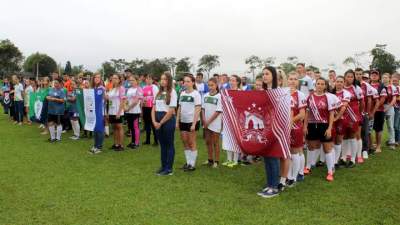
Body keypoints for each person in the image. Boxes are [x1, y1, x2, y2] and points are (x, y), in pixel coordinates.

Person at [303, 78, 338, 181]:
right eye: (318, 84)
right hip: (312, 124)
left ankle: (330, 171)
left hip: (324, 125)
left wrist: (330, 128)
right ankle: (308, 166)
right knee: (311, 146)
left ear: (325, 86)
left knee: (327, 148)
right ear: (315, 85)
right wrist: (305, 126)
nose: (320, 85)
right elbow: (307, 113)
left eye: (322, 84)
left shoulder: (329, 97)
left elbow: (331, 114)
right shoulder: (310, 97)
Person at [257, 66, 282, 198]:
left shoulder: (279, 91)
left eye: (267, 74)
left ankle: (275, 186)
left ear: (273, 75)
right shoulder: (262, 92)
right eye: (263, 74)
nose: (264, 76)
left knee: (273, 157)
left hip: (275, 128)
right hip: (264, 127)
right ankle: (269, 184)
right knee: (266, 157)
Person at [152, 72, 178, 176]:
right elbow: (153, 108)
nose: (162, 81)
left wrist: (160, 123)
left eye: (165, 79)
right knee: (162, 145)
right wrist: (154, 121)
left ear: (169, 81)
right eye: (161, 79)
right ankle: (163, 166)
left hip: (167, 121)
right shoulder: (158, 93)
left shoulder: (173, 92)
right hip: (157, 120)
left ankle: (169, 169)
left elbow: (171, 110)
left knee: (169, 144)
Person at [177, 74, 202, 172]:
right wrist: (177, 121)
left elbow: (198, 109)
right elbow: (179, 107)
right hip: (183, 121)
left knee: (192, 142)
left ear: (192, 82)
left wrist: (193, 124)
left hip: (192, 121)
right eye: (185, 81)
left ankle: (192, 164)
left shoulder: (196, 94)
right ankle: (188, 163)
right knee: (184, 141)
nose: (186, 83)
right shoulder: (182, 93)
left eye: (188, 81)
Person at [285, 72, 306, 187]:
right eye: (290, 79)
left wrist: (290, 121)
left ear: (298, 82)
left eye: (295, 79)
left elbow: (302, 114)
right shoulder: (284, 93)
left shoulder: (300, 95)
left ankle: (294, 177)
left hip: (296, 127)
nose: (292, 81)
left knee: (295, 152)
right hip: (284, 128)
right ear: (287, 80)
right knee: (286, 152)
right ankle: (287, 175)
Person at [342, 69, 364, 167]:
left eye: (352, 77)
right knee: (344, 136)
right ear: (344, 77)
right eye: (348, 76)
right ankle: (343, 158)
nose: (350, 78)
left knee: (352, 136)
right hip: (342, 116)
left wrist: (359, 113)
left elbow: (362, 102)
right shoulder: (340, 87)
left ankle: (352, 160)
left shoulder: (356, 88)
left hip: (353, 116)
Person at [202, 77, 222, 168]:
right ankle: (210, 159)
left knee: (215, 142)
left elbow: (218, 111)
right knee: (208, 141)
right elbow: (202, 109)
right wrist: (204, 120)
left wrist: (208, 122)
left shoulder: (219, 96)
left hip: (215, 123)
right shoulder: (205, 95)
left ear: (216, 85)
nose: (210, 87)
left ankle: (216, 161)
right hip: (206, 123)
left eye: (212, 85)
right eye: (209, 85)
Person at [222, 75, 241, 168]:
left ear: (237, 82)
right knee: (228, 139)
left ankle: (235, 160)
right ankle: (229, 159)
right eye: (230, 80)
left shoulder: (241, 93)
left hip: (237, 119)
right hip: (227, 119)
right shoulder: (226, 92)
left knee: (236, 140)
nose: (231, 82)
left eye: (233, 80)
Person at [331, 76, 351, 167]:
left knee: (338, 140)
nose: (339, 83)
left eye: (341, 82)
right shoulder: (331, 92)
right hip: (331, 119)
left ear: (343, 83)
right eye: (337, 81)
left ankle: (335, 161)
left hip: (341, 119)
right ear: (335, 82)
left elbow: (343, 107)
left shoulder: (346, 93)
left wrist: (337, 118)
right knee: (330, 140)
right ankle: (329, 160)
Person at [106, 74, 126, 151]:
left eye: (116, 78)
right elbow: (107, 99)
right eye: (113, 78)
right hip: (111, 111)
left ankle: (121, 145)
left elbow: (123, 101)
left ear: (119, 80)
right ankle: (116, 144)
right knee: (114, 128)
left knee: (119, 127)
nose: (114, 80)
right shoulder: (112, 89)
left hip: (118, 112)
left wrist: (119, 112)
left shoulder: (121, 88)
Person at [370, 70, 387, 153]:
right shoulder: (367, 86)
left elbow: (382, 99)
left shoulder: (381, 86)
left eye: (376, 75)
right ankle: (371, 145)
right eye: (372, 74)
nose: (374, 76)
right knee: (369, 129)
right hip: (368, 111)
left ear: (378, 77)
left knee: (378, 129)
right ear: (370, 76)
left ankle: (378, 146)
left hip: (379, 111)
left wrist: (374, 109)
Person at [125, 75, 143, 149]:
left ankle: (136, 143)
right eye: (130, 80)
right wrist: (125, 107)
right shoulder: (129, 89)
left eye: (133, 80)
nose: (131, 82)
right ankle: (132, 142)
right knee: (131, 127)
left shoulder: (139, 89)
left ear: (137, 81)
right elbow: (126, 99)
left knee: (135, 127)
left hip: (135, 111)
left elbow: (136, 101)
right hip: (129, 111)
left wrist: (128, 108)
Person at [90, 73, 106, 154]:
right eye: (95, 77)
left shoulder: (101, 88)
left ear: (100, 79)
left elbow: (103, 99)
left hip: (100, 111)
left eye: (98, 77)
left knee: (99, 129)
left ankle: (99, 147)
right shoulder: (93, 88)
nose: (96, 79)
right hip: (93, 111)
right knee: (95, 128)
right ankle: (95, 145)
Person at [382, 73, 398, 150]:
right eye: (383, 77)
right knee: (379, 126)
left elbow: (394, 99)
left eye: (386, 77)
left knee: (390, 125)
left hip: (389, 107)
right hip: (380, 107)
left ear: (389, 79)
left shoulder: (392, 87)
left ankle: (392, 142)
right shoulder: (380, 86)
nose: (384, 79)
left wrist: (387, 108)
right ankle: (378, 142)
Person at [142, 74, 159, 145]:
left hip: (152, 108)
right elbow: (142, 97)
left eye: (150, 79)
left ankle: (156, 140)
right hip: (145, 107)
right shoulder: (144, 87)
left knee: (153, 124)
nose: (148, 80)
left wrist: (155, 107)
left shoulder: (154, 87)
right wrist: (143, 101)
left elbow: (156, 98)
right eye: (147, 79)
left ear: (152, 80)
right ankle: (147, 140)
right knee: (147, 124)